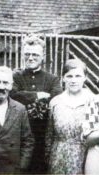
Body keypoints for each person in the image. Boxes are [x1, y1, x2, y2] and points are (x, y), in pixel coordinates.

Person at [10, 35, 62, 173]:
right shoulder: (16, 77)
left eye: (35, 55)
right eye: (27, 54)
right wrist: (37, 95)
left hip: (42, 135)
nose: (30, 58)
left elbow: (56, 98)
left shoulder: (52, 79)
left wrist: (24, 95)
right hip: (18, 134)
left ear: (43, 56)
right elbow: (12, 95)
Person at [45, 59, 94, 174]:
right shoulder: (55, 102)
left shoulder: (93, 100)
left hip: (84, 156)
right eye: (69, 76)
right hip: (58, 155)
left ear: (85, 77)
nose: (73, 80)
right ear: (63, 78)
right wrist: (48, 157)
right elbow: (49, 133)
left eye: (78, 76)